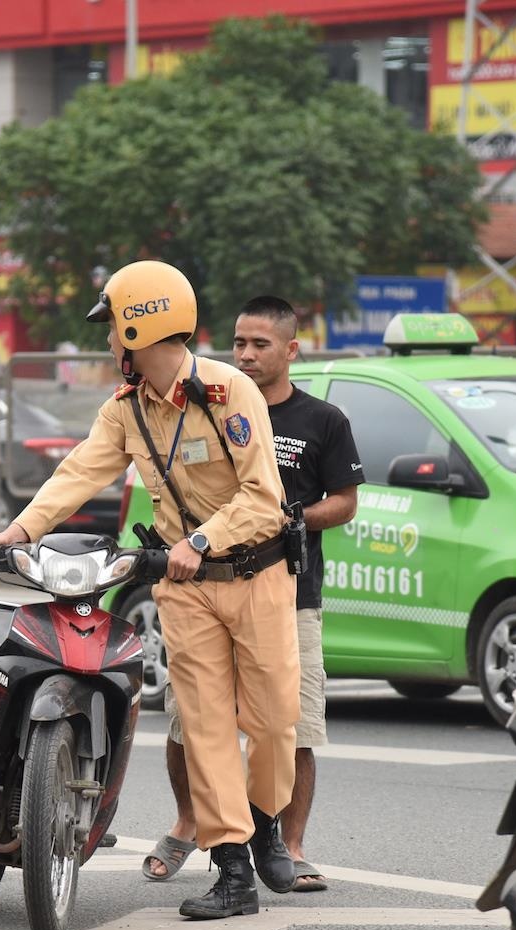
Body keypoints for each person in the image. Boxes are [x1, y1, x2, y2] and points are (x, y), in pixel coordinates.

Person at [0, 260, 302, 920]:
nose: (107, 344)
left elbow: (265, 500)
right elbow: (77, 473)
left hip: (257, 574)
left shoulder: (229, 392)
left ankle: (266, 822)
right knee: (205, 725)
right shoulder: (126, 410)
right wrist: (15, 530)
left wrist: (200, 541)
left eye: (111, 330)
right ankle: (233, 867)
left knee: (272, 722)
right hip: (182, 588)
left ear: (139, 328)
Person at [147, 296, 361, 893]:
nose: (245, 354)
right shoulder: (205, 405)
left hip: (288, 591)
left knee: (289, 727)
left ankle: (285, 843)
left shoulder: (322, 420)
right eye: (238, 343)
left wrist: (296, 518)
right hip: (201, 583)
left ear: (291, 350)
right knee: (190, 725)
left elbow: (345, 501)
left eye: (260, 344)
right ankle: (191, 824)